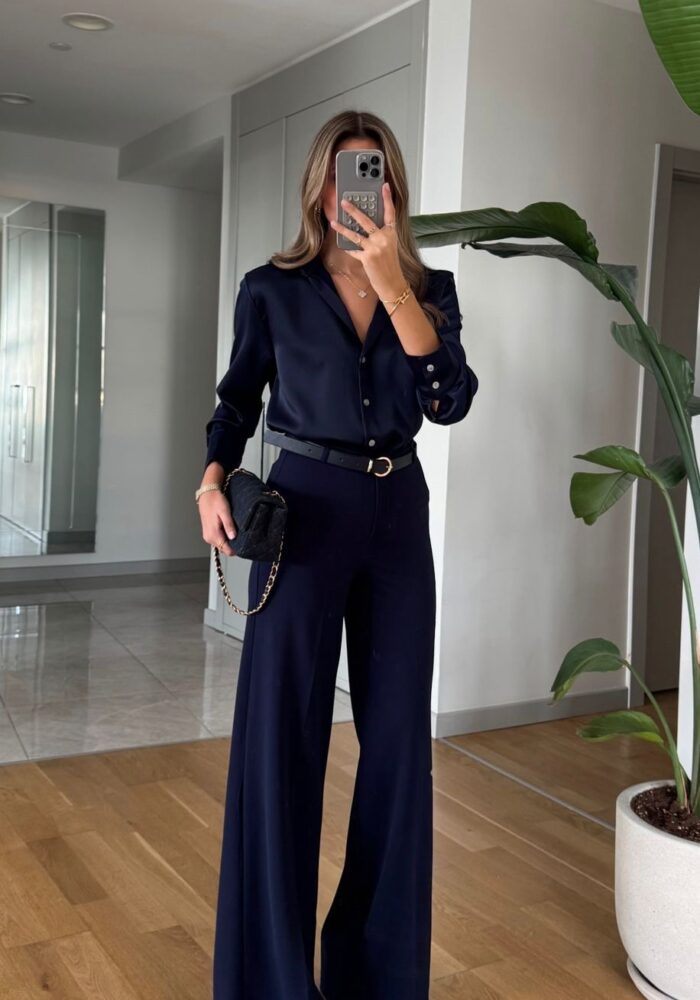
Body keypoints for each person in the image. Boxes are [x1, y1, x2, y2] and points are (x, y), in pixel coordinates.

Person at [197, 110, 479, 1000]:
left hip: (398, 513)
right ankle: (272, 980)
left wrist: (392, 283)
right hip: (304, 511)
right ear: (319, 187)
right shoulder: (270, 290)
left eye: (376, 172)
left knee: (397, 746)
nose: (360, 188)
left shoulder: (429, 290)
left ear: (394, 189)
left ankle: (375, 979)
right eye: (345, 172)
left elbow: (450, 400)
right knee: (282, 740)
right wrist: (211, 481)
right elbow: (237, 402)